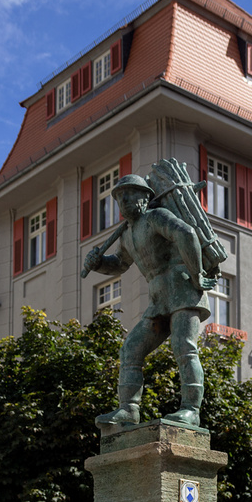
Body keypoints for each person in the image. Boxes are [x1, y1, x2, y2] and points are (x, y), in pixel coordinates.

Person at [83, 174, 218, 428]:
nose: (123, 200)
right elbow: (120, 264)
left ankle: (191, 409)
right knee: (131, 349)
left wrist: (198, 274)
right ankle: (128, 409)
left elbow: (186, 234)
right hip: (158, 300)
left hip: (183, 290)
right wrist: (99, 263)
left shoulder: (155, 217)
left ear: (145, 197)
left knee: (184, 346)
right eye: (119, 197)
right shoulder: (127, 235)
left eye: (129, 193)